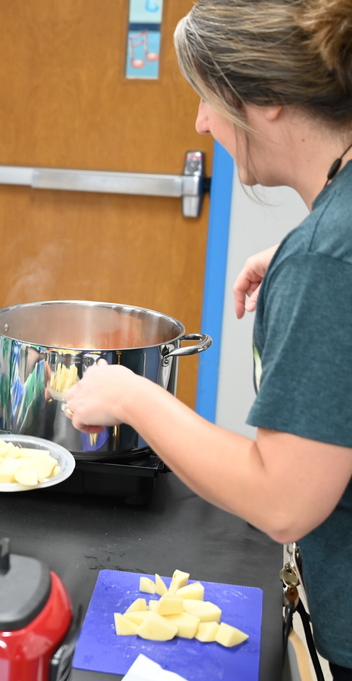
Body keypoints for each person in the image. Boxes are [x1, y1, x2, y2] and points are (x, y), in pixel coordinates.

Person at [63, 0, 352, 676]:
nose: (199, 121)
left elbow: (283, 500)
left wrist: (132, 396)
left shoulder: (327, 257)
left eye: (205, 96)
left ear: (269, 98)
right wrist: (301, 254)